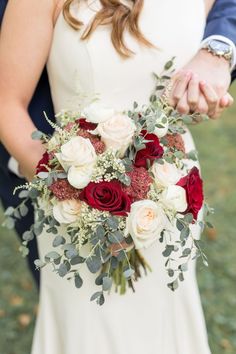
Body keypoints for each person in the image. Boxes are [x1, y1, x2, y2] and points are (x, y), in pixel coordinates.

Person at [0, 1, 235, 353]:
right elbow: (7, 102)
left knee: (164, 323)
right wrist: (66, 182)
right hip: (78, 209)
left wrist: (215, 63)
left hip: (172, 198)